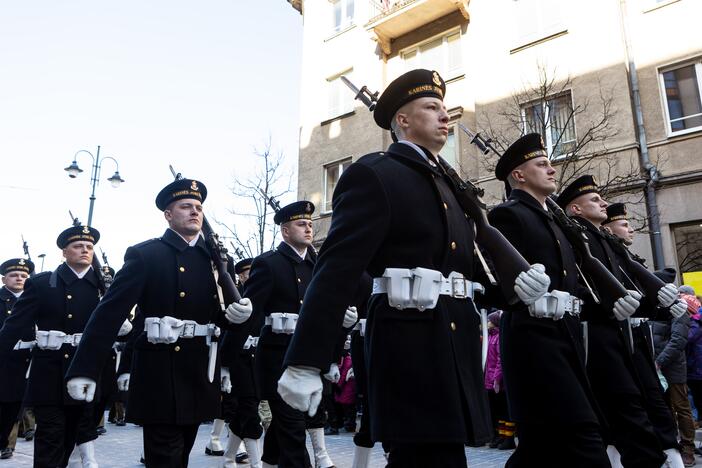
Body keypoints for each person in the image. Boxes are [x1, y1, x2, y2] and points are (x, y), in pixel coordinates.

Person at [277, 70, 550, 468]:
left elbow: (464, 267)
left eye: (444, 108)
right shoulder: (375, 173)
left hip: (453, 341)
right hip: (409, 345)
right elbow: (336, 269)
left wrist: (512, 288)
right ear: (402, 120)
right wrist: (306, 359)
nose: (445, 115)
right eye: (432, 107)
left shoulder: (449, 185)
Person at [65, 178, 253, 468]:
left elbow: (214, 318)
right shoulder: (146, 255)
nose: (195, 212)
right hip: (159, 373)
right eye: (186, 206)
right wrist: (84, 369)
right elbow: (108, 314)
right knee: (164, 458)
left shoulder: (214, 260)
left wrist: (235, 318)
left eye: (199, 207)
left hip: (199, 372)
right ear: (168, 214)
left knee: (180, 456)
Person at [487, 135, 636, 467]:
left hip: (566, 335)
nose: (552, 169)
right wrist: (518, 294)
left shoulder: (557, 222)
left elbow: (573, 287)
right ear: (519, 175)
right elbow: (492, 281)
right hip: (532, 338)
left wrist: (609, 304)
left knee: (542, 444)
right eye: (541, 164)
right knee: (583, 435)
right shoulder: (509, 216)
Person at [244, 200, 347, 468]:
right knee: (293, 428)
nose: (308, 229)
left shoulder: (319, 266)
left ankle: (269, 462)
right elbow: (249, 313)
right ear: (285, 231)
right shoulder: (268, 264)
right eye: (301, 224)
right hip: (277, 361)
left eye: (311, 224)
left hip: (309, 360)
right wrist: (228, 362)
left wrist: (334, 356)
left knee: (286, 426)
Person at [0, 226, 103, 467]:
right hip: (50, 373)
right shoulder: (42, 283)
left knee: (76, 436)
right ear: (64, 252)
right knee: (51, 437)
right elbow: (14, 326)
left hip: (86, 371)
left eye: (89, 247)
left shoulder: (104, 285)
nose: (85, 251)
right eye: (78, 246)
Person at [602, 202, 689, 466]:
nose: (630, 230)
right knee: (623, 409)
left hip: (638, 338)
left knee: (655, 406)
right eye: (624, 225)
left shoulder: (628, 259)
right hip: (617, 339)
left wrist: (665, 308)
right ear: (608, 228)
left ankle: (672, 457)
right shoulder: (609, 258)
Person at [216, 256, 262, 468]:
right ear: (240, 277)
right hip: (238, 361)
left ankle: (228, 457)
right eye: (245, 273)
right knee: (250, 411)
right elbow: (227, 332)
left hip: (258, 360)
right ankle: (256, 463)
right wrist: (224, 366)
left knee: (242, 412)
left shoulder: (263, 295)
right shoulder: (236, 297)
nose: (249, 276)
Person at [652, 278, 698, 467]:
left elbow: (678, 340)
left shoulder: (680, 311)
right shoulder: (661, 309)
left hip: (673, 368)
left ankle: (688, 448)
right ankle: (670, 444)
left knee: (682, 408)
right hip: (660, 366)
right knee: (666, 408)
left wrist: (659, 361)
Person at [0, 257, 34, 460]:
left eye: (23, 275)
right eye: (14, 275)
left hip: (27, 358)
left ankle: (7, 443)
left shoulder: (36, 298)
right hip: (5, 358)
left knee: (16, 405)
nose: (19, 278)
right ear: (4, 279)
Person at [483, 310, 514, 451]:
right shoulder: (490, 337)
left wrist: (496, 379)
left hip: (499, 382)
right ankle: (501, 436)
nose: (487, 322)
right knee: (498, 411)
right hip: (490, 379)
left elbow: (500, 361)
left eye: (490, 320)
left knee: (504, 409)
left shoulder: (498, 337)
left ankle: (509, 438)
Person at [686, 286, 702, 427]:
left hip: (696, 365)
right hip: (695, 365)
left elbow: (688, 338)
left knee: (695, 395)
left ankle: (696, 419)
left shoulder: (695, 322)